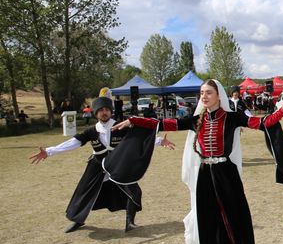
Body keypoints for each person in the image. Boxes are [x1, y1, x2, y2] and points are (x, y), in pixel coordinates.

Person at [134, 79, 283, 244]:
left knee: (236, 222)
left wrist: (282, 110)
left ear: (219, 95)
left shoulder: (232, 117)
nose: (204, 96)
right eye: (201, 93)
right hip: (205, 176)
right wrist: (133, 121)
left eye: (208, 92)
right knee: (210, 227)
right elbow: (163, 124)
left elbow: (263, 123)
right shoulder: (195, 120)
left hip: (226, 175)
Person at [30, 96, 175, 233]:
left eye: (106, 110)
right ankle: (78, 220)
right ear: (96, 113)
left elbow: (138, 138)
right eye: (100, 110)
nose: (104, 112)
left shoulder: (120, 126)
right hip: (97, 163)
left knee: (134, 191)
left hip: (118, 163)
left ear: (111, 111)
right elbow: (72, 143)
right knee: (84, 192)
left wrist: (160, 141)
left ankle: (129, 222)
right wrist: (49, 152)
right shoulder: (91, 131)